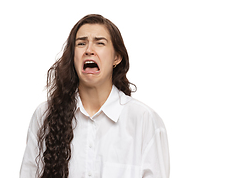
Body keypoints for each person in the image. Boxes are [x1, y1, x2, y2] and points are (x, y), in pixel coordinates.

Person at [20, 14, 170, 178]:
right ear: (73, 57)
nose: (89, 50)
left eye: (100, 43)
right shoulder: (44, 116)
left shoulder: (144, 120)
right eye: (81, 43)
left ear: (116, 57)